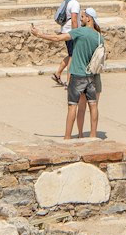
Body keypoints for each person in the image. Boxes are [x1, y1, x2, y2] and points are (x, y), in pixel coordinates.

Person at [31, 9, 105, 141]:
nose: (80, 19)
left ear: (89, 18)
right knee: (93, 105)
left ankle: (67, 137)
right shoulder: (99, 37)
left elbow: (57, 38)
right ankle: (93, 136)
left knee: (73, 106)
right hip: (92, 76)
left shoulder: (80, 32)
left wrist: (39, 35)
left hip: (77, 74)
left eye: (82, 16)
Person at [53, 0, 85, 86]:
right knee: (73, 57)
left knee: (71, 54)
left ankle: (57, 74)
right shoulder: (75, 3)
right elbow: (74, 20)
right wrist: (76, 34)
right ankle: (69, 81)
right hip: (71, 32)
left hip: (65, 30)